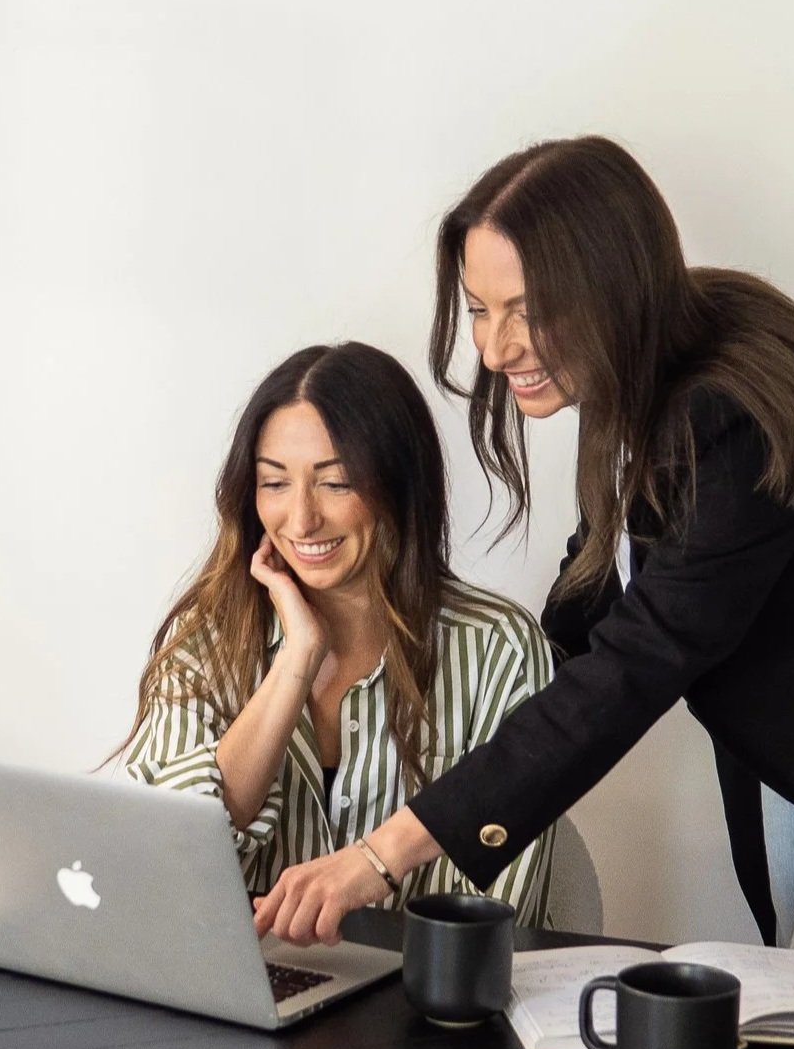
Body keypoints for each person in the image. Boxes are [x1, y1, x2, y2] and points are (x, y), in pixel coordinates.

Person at [254, 136, 794, 947]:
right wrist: (463, 694)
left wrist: (381, 855)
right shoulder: (650, 364)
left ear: (611, 288)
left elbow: (639, 661)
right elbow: (593, 599)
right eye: (479, 309)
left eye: (527, 310)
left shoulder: (729, 415)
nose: (494, 346)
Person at [118, 341, 556, 925]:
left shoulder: (500, 650)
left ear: (398, 486)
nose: (301, 520)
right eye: (275, 484)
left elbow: (488, 915)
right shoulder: (206, 645)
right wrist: (297, 657)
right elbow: (155, 869)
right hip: (235, 998)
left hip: (420, 1002)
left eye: (337, 482)